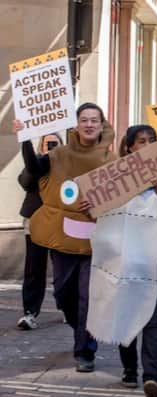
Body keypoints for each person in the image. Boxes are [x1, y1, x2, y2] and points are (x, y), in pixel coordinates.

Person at [16, 103, 116, 373]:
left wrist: (100, 203)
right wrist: (25, 137)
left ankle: (85, 351)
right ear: (76, 125)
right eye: (84, 120)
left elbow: (121, 198)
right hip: (64, 240)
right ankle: (81, 327)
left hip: (96, 242)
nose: (89, 125)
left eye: (94, 120)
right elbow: (34, 167)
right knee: (63, 294)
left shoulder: (111, 159)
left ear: (101, 124)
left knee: (87, 297)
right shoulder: (58, 154)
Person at [87, 124, 157, 397]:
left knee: (152, 318)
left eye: (152, 140)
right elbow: (100, 219)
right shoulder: (114, 181)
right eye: (141, 141)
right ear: (129, 147)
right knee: (126, 310)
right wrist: (90, 210)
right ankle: (129, 368)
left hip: (154, 261)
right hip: (123, 260)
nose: (148, 145)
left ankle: (152, 375)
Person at [16, 132, 62, 330]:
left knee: (63, 269)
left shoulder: (69, 167)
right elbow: (26, 181)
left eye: (55, 144)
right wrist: (29, 145)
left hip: (61, 223)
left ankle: (67, 307)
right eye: (47, 143)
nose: (51, 147)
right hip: (35, 221)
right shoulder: (34, 167)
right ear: (40, 147)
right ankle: (30, 312)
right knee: (34, 268)